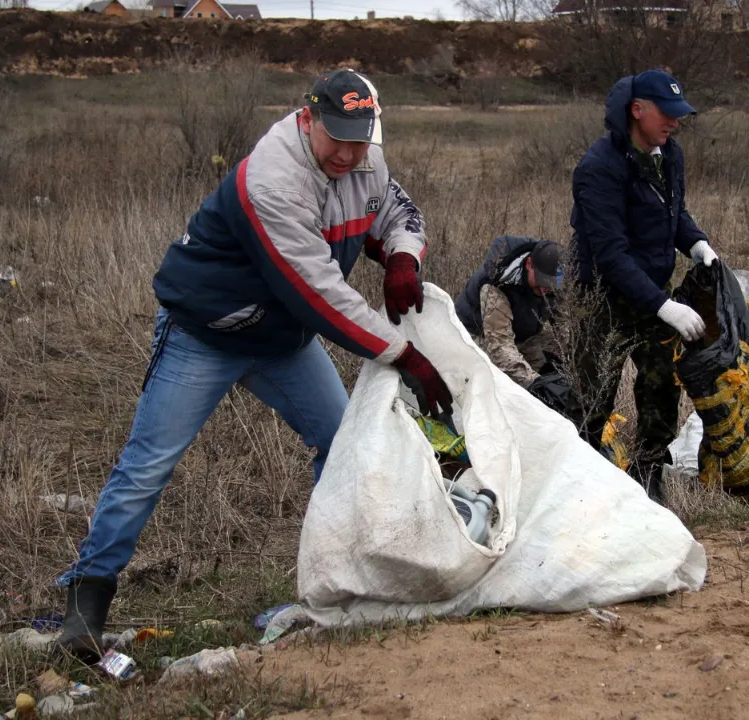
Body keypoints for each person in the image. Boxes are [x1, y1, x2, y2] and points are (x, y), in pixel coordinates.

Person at [55, 69, 454, 661]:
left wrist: (401, 256)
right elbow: (317, 292)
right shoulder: (271, 178)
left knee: (342, 442)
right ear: (307, 118)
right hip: (208, 332)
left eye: (360, 139)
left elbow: (393, 209)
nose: (347, 153)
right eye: (335, 137)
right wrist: (404, 355)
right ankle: (86, 603)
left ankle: (340, 580)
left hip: (281, 339)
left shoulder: (366, 159)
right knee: (147, 467)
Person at [569, 69, 719, 505]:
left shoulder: (669, 154)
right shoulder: (597, 169)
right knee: (594, 395)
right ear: (638, 111)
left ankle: (648, 469)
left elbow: (674, 213)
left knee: (661, 385)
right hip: (602, 299)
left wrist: (697, 244)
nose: (675, 123)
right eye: (667, 114)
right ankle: (582, 480)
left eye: (679, 115)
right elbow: (611, 255)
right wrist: (664, 306)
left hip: (653, 291)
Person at [454, 236, 561, 387]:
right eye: (541, 280)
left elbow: (566, 328)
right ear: (529, 264)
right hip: (477, 335)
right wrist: (536, 384)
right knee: (502, 382)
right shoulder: (497, 285)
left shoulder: (557, 279)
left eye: (550, 284)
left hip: (521, 334)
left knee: (551, 370)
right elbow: (500, 346)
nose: (544, 289)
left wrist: (564, 364)